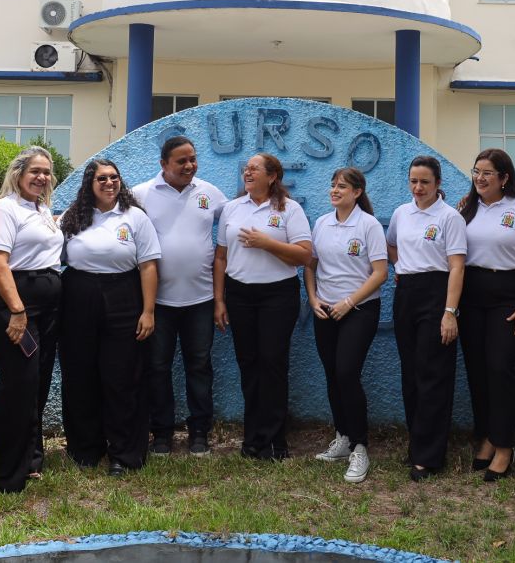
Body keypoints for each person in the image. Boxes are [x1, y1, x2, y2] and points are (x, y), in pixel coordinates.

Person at [58, 159, 161, 475]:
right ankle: (85, 448)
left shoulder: (135, 217)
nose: (109, 183)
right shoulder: (72, 216)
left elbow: (148, 265)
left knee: (123, 375)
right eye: (101, 178)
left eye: (114, 177)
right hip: (78, 295)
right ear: (89, 184)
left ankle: (125, 453)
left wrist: (148, 311)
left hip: (124, 296)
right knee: (80, 373)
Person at [457, 148, 515, 482]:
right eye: (476, 171)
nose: (479, 178)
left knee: (500, 368)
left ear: (504, 177)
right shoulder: (466, 209)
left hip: (508, 296)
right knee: (477, 371)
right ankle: (487, 436)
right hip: (472, 295)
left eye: (487, 173)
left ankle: (504, 445)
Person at [133, 136, 228, 457]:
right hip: (157, 303)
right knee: (157, 368)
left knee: (199, 366)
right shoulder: (141, 194)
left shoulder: (209, 193)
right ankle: (161, 433)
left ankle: (199, 431)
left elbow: (237, 218)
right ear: (164, 164)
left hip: (201, 300)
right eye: (181, 161)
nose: (190, 166)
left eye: (193, 159)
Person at [213, 152, 312, 460]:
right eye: (246, 168)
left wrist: (267, 243)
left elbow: (304, 255)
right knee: (249, 363)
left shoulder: (289, 209)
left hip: (277, 295)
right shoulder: (232, 208)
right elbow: (220, 257)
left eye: (255, 169)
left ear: (272, 177)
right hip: (239, 295)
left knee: (272, 363)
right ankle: (253, 437)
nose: (248, 172)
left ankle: (274, 440)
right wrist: (219, 299)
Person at [0, 145, 63, 493]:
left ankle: (31, 458)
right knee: (19, 384)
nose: (42, 177)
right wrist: (17, 311)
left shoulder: (41, 209)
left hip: (48, 305)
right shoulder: (4, 209)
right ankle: (7, 474)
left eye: (46, 172)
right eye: (35, 171)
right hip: (16, 303)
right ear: (18, 174)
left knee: (38, 382)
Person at [304, 167, 388, 484]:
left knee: (347, 373)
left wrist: (349, 302)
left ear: (357, 192)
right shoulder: (322, 223)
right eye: (333, 185)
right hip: (325, 309)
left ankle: (359, 447)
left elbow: (380, 273)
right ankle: (342, 437)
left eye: (342, 186)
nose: (335, 190)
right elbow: (310, 266)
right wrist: (313, 299)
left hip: (359, 309)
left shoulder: (368, 225)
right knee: (332, 374)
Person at [387, 155, 467, 481]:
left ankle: (430, 456)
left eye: (425, 182)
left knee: (433, 374)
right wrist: (401, 267)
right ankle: (417, 444)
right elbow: (392, 246)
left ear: (438, 184)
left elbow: (457, 266)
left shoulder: (449, 217)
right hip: (406, 293)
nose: (418, 188)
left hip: (438, 293)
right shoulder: (401, 213)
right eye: (414, 181)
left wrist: (450, 312)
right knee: (411, 373)